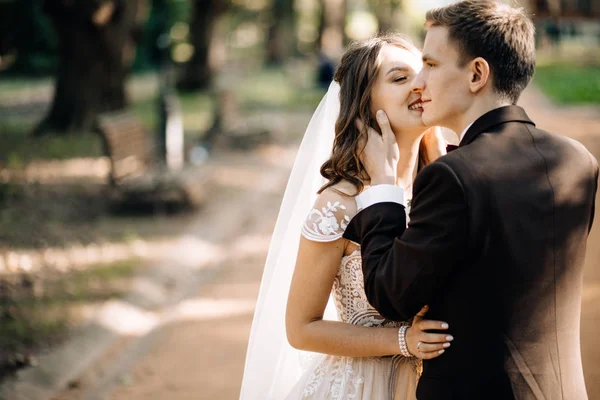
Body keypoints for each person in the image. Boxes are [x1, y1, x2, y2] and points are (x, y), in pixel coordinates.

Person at [343, 1, 598, 399]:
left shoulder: (452, 177)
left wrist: (383, 188)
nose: (419, 82)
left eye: (430, 64)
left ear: (477, 73)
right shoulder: (578, 160)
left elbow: (391, 296)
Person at [239, 35, 453, 400]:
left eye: (423, 73)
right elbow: (301, 329)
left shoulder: (446, 188)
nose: (419, 85)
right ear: (364, 104)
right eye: (399, 78)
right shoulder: (339, 206)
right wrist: (402, 340)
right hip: (363, 387)